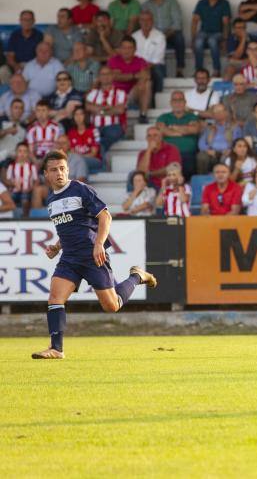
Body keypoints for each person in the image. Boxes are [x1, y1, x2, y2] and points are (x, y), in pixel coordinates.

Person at [30, 149, 157, 361]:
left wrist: (99, 243)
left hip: (92, 255)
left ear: (68, 169)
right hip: (69, 258)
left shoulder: (80, 189)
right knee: (55, 298)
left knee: (112, 306)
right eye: (54, 170)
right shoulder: (51, 200)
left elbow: (105, 216)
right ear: (46, 174)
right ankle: (56, 349)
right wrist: (57, 246)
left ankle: (137, 276)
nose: (59, 173)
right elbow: (71, 227)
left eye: (62, 168)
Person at [142, 0, 185, 77]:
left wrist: (164, 35)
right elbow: (145, 24)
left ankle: (180, 70)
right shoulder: (146, 5)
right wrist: (158, 36)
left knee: (180, 38)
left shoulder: (172, 2)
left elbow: (177, 23)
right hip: (154, 35)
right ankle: (161, 74)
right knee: (151, 42)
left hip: (170, 34)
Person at [191, 0, 231, 77]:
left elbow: (226, 23)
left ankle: (216, 70)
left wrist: (225, 39)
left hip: (218, 33)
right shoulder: (201, 3)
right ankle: (198, 71)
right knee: (198, 42)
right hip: (204, 32)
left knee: (212, 41)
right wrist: (193, 39)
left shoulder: (224, 3)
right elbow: (194, 21)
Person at [156, 90, 200, 176]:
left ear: (185, 102)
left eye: (180, 100)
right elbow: (160, 130)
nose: (178, 103)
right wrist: (184, 130)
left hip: (188, 153)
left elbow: (194, 130)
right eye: (175, 100)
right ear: (171, 103)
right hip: (168, 153)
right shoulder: (163, 117)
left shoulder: (192, 116)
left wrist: (172, 128)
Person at [108, 36, 151, 124]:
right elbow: (115, 76)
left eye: (129, 48)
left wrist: (125, 76)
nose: (126, 50)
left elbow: (146, 75)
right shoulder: (113, 60)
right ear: (120, 49)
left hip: (131, 95)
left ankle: (143, 114)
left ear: (135, 49)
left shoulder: (140, 61)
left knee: (146, 83)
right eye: (124, 48)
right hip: (116, 96)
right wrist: (135, 76)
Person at [197, 104, 242, 174]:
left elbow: (238, 142)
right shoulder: (209, 127)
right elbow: (201, 143)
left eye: (220, 111)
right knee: (201, 156)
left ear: (226, 113)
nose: (218, 114)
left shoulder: (234, 127)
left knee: (226, 158)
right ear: (213, 115)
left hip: (227, 152)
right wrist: (207, 150)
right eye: (216, 112)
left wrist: (231, 150)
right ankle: (202, 180)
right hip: (212, 153)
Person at [132, 10, 166, 94]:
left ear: (153, 21)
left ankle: (157, 99)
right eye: (143, 20)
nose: (145, 22)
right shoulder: (134, 36)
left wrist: (145, 68)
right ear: (139, 21)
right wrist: (141, 68)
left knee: (157, 71)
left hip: (155, 66)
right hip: (138, 66)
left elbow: (158, 59)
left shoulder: (160, 36)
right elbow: (133, 55)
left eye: (148, 20)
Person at [3, 142, 37, 216]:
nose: (22, 154)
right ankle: (12, 217)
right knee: (10, 198)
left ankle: (25, 217)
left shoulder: (31, 167)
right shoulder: (11, 166)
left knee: (25, 199)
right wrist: (13, 184)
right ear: (16, 153)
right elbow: (8, 180)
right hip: (14, 191)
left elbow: (36, 180)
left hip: (27, 191)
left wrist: (30, 188)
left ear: (28, 154)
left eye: (25, 151)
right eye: (20, 151)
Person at [67, 106, 103, 174]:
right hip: (77, 160)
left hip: (94, 160)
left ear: (85, 116)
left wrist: (79, 158)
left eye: (81, 114)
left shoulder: (94, 131)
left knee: (76, 162)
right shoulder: (71, 133)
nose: (78, 117)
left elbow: (93, 153)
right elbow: (71, 151)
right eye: (76, 114)